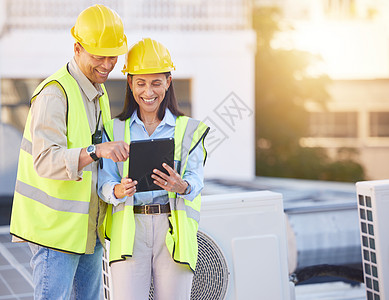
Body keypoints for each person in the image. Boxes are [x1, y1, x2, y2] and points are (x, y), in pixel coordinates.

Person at [9, 5, 129, 299]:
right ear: (77, 48)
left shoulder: (96, 92)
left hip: (88, 232)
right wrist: (96, 150)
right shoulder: (54, 93)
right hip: (55, 236)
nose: (107, 64)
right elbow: (45, 161)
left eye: (112, 55)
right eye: (98, 56)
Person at [98, 38, 210, 300]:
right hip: (130, 232)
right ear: (130, 83)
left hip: (172, 232)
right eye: (141, 83)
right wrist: (118, 189)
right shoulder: (114, 130)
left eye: (156, 83)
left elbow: (196, 178)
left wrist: (182, 186)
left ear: (168, 82)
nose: (148, 92)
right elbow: (103, 184)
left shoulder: (189, 130)